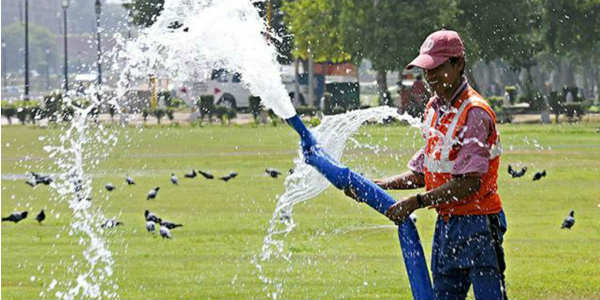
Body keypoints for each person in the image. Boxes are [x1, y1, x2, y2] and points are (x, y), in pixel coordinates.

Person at [346, 29, 508, 300]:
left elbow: (469, 182)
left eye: (437, 68)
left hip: (479, 224)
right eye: (426, 70)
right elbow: (424, 172)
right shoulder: (435, 109)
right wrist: (377, 187)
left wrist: (416, 202)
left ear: (459, 65)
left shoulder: (474, 112)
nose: (430, 77)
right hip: (447, 225)